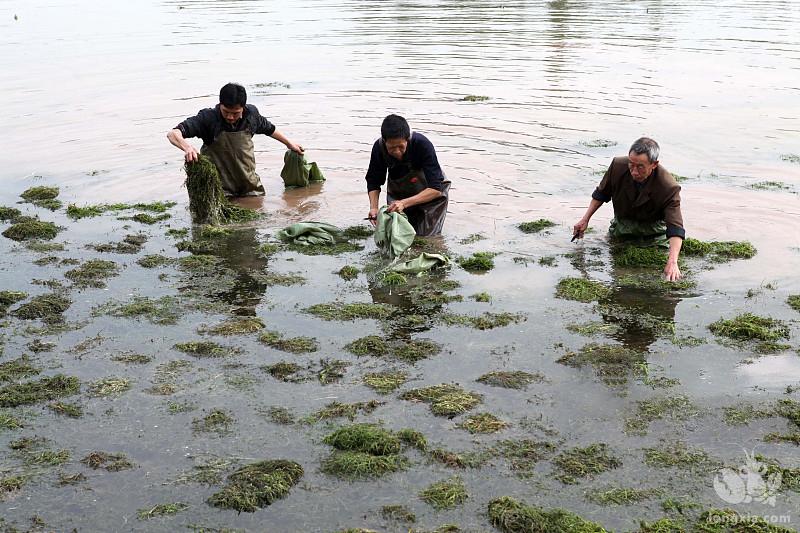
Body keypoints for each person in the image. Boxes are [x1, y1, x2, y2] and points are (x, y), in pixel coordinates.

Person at [573, 137, 685, 281]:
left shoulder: (668, 187)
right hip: (621, 227)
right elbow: (602, 193)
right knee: (617, 271)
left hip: (653, 234)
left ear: (654, 164)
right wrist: (585, 219)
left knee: (649, 275)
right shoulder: (618, 166)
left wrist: (672, 262)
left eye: (640, 167)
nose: (634, 171)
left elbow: (675, 227)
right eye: (631, 165)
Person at [167, 83, 303, 197]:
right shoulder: (208, 118)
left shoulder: (251, 115)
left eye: (236, 113)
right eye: (226, 112)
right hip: (219, 192)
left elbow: (269, 129)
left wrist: (289, 144)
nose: (230, 117)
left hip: (251, 189)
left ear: (243, 107)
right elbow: (173, 134)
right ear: (220, 104)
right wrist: (187, 147)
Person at [365, 114, 451, 236]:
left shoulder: (422, 144)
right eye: (391, 148)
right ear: (385, 142)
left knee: (428, 238)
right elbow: (373, 181)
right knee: (397, 235)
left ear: (407, 139)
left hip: (431, 198)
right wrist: (374, 208)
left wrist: (404, 203)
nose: (397, 152)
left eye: (401, 146)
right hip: (399, 197)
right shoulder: (379, 148)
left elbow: (436, 189)